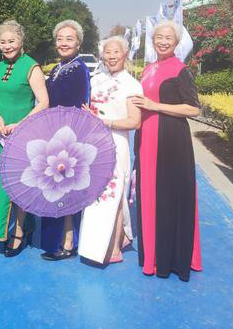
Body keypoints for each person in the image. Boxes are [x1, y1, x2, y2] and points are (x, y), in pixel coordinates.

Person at [130, 20, 202, 282]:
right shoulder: (149, 68)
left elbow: (194, 109)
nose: (162, 41)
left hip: (171, 141)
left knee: (169, 197)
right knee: (149, 195)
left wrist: (156, 106)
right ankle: (152, 255)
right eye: (158, 37)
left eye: (168, 38)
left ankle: (170, 260)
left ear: (176, 42)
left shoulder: (181, 70)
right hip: (146, 138)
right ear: (152, 40)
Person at [78, 36, 142, 264]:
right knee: (93, 194)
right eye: (108, 52)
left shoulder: (132, 85)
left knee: (114, 195)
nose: (112, 56)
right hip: (93, 144)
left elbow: (135, 121)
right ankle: (93, 247)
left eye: (116, 52)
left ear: (125, 54)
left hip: (116, 143)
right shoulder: (95, 80)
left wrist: (105, 122)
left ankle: (114, 248)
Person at [0, 20, 48, 256]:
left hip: (24, 136)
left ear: (21, 41)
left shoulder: (32, 67)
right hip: (2, 134)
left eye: (11, 41)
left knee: (21, 184)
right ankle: (3, 230)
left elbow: (44, 102)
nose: (7, 46)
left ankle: (20, 231)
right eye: (3, 42)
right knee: (1, 183)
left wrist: (20, 125)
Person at [40, 20, 91, 261]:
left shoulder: (79, 69)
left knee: (66, 191)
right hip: (53, 135)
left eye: (69, 39)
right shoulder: (58, 67)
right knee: (57, 190)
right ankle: (58, 240)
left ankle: (68, 242)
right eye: (60, 39)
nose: (63, 43)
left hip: (69, 138)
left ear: (78, 43)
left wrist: (71, 137)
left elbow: (82, 106)